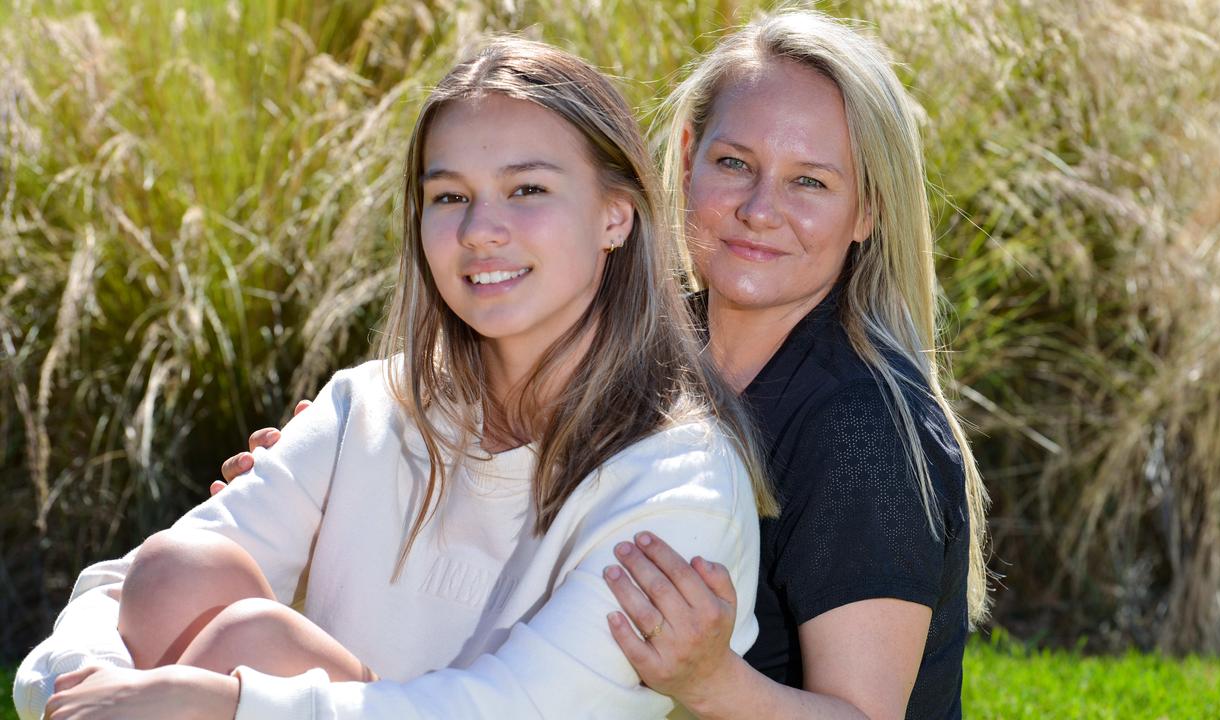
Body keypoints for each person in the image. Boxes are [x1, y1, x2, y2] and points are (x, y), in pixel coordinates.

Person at [220, 10, 988, 719]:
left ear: (869, 211)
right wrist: (336, 476)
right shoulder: (649, 345)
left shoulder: (865, 431)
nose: (760, 208)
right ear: (685, 160)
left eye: (810, 182)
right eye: (733, 163)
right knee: (250, 642)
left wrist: (714, 680)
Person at [14, 37, 773, 720]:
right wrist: (93, 688)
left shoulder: (677, 478)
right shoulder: (371, 406)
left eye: (528, 190)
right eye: (450, 197)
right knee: (179, 571)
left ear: (616, 216)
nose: (481, 230)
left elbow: (524, 709)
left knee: (250, 646)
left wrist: (231, 702)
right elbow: (109, 594)